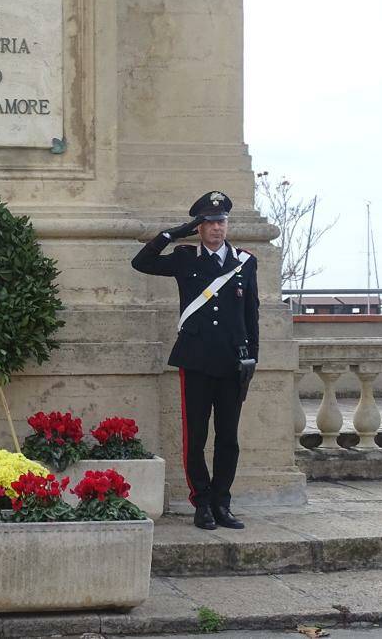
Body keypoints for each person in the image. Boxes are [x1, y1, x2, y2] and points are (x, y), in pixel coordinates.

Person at [131, 191, 258, 530]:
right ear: (199, 227)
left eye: (221, 221)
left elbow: (251, 315)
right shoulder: (185, 257)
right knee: (196, 436)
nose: (217, 228)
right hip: (197, 361)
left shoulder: (245, 262)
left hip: (233, 364)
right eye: (209, 222)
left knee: (228, 438)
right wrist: (173, 233)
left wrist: (252, 360)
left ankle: (222, 502)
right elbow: (141, 263)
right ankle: (201, 502)